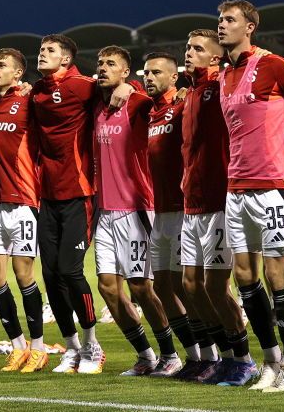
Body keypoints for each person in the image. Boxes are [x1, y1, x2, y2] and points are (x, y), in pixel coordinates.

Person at [30, 34, 134, 374]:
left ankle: (93, 346)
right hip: (47, 195)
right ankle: (72, 348)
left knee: (70, 270)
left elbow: (121, 90)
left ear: (66, 58)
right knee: (50, 274)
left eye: (50, 51)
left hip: (79, 193)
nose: (42, 54)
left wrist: (129, 87)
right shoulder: (37, 92)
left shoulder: (83, 86)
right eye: (41, 50)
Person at [216, 0, 284, 391]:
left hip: (273, 183)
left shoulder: (272, 65)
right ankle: (270, 361)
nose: (222, 25)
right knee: (244, 275)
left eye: (230, 20)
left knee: (275, 272)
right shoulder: (223, 74)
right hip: (235, 187)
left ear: (250, 27)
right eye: (220, 19)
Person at [91, 45, 179, 377]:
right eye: (100, 62)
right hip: (105, 212)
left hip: (137, 209)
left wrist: (134, 88)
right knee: (108, 287)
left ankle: (171, 354)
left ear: (126, 72)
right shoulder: (97, 107)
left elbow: (161, 102)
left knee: (142, 287)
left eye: (110, 64)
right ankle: (145, 355)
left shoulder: (138, 103)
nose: (102, 67)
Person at [175, 29, 242, 383]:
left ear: (215, 57)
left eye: (197, 48)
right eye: (188, 46)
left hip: (218, 199)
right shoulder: (193, 92)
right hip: (192, 201)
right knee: (190, 285)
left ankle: (241, 358)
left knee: (216, 287)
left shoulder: (220, 85)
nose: (189, 52)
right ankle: (219, 355)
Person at [0, 48, 48, 372]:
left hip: (23, 200)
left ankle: (39, 347)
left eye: (1, 65)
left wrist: (34, 89)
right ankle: (17, 346)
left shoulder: (28, 100)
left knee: (23, 275)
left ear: (18, 73)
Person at [143, 51, 201, 373]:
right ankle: (193, 355)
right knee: (163, 288)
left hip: (183, 210)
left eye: (156, 72)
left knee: (185, 286)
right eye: (146, 73)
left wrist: (188, 92)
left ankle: (213, 354)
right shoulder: (150, 112)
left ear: (173, 76)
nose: (148, 77)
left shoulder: (182, 105)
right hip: (160, 212)